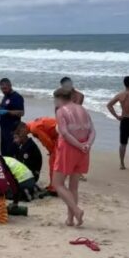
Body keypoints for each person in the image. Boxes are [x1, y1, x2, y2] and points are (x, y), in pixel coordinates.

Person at [52, 88, 96, 227]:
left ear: (59, 98)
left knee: (57, 184)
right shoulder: (83, 110)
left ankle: (76, 211)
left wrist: (78, 145)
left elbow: (64, 133)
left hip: (69, 149)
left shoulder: (61, 111)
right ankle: (70, 219)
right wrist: (87, 144)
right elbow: (93, 131)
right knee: (74, 187)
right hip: (83, 150)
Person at [15, 118, 58, 191]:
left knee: (53, 162)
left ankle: (54, 187)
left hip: (62, 130)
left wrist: (51, 152)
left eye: (20, 133)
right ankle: (54, 185)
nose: (20, 135)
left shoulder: (34, 128)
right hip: (59, 132)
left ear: (23, 129)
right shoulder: (32, 124)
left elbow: (46, 140)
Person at [0, 78, 25, 156]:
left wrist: (8, 112)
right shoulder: (5, 97)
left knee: (12, 152)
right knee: (4, 152)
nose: (3, 91)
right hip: (3, 130)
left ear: (10, 86)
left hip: (12, 130)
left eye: (5, 88)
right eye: (2, 89)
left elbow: (21, 113)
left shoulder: (17, 97)